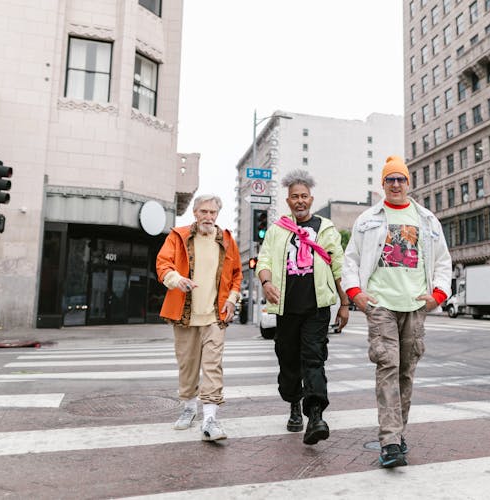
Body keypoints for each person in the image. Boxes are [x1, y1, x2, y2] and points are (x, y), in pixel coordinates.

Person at [342, 156, 452, 468]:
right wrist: (356, 294)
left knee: (406, 371)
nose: (395, 184)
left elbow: (443, 261)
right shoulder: (368, 219)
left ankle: (398, 433)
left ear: (408, 183)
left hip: (416, 305)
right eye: (390, 179)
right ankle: (390, 441)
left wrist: (437, 296)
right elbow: (351, 260)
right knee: (387, 367)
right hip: (381, 305)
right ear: (383, 184)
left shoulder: (427, 219)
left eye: (400, 179)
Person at [255, 169, 349, 445]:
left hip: (316, 309)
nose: (299, 201)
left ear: (311, 199)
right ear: (288, 201)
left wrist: (344, 303)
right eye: (294, 196)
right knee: (288, 362)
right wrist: (266, 282)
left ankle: (316, 416)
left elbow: (338, 267)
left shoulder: (326, 228)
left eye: (304, 196)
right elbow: (264, 261)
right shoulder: (277, 231)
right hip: (285, 309)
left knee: (314, 360)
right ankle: (294, 403)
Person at [156, 194, 242, 441]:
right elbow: (163, 264)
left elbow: (237, 274)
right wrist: (176, 280)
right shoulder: (179, 236)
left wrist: (232, 299)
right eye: (203, 211)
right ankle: (189, 409)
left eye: (212, 213)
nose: (208, 217)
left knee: (213, 366)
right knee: (187, 364)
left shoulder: (226, 239)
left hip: (215, 314)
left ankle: (210, 419)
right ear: (195, 212)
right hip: (184, 314)